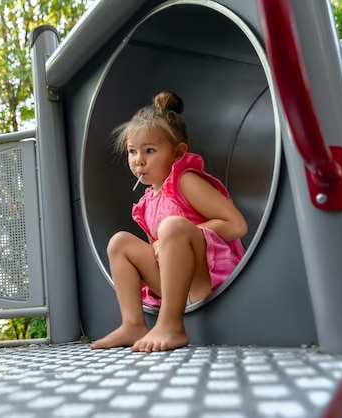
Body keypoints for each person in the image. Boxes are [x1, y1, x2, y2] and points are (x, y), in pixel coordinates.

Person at [90, 90, 247, 352]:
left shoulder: (186, 181)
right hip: (174, 285)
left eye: (149, 150)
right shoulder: (148, 201)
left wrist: (177, 235)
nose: (138, 160)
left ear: (177, 153)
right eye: (132, 152)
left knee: (171, 227)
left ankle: (171, 325)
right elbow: (158, 251)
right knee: (119, 242)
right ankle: (133, 324)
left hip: (204, 278)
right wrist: (161, 243)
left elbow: (236, 225)